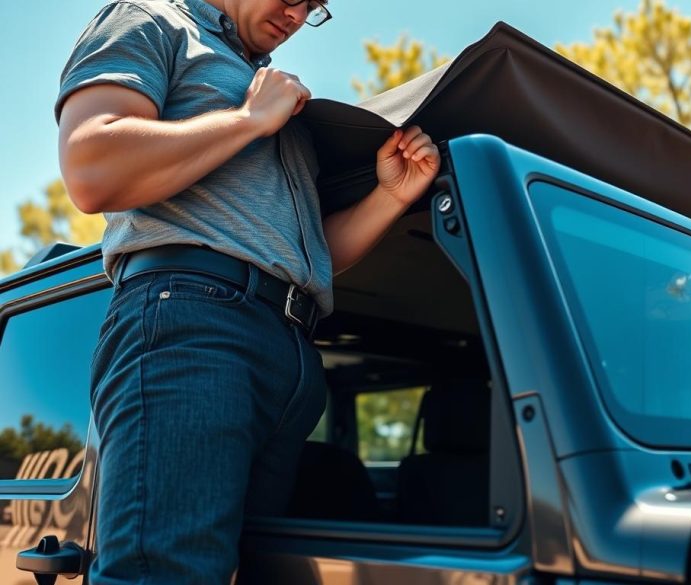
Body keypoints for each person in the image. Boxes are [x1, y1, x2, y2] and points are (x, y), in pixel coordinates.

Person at [56, 0, 440, 582]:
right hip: (193, 326)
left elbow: (301, 256)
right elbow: (91, 165)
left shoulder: (274, 92)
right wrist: (248, 120)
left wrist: (391, 197)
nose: (297, 13)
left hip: (287, 350)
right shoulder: (153, 20)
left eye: (314, 7)